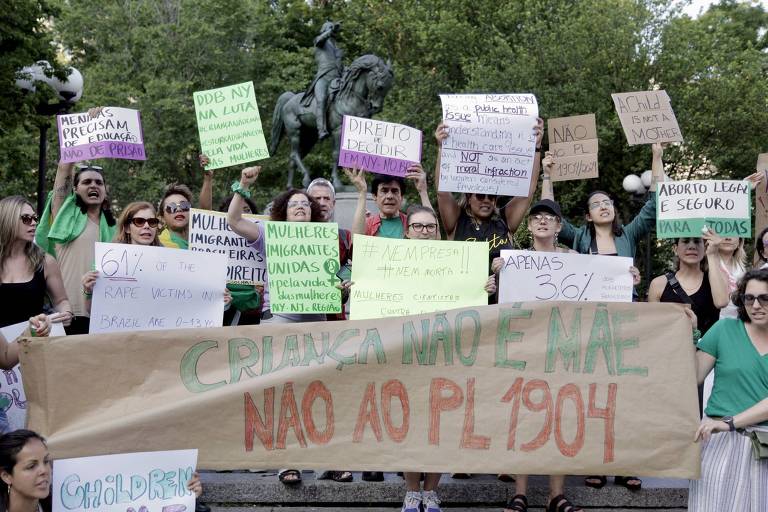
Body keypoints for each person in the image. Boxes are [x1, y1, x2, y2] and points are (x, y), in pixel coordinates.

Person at [228, 166, 327, 485]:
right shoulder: (269, 233)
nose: (302, 206)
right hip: (281, 319)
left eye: (307, 204)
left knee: (318, 389)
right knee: (284, 390)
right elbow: (234, 221)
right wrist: (242, 185)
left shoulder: (325, 238)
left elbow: (338, 274)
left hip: (317, 318)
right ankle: (287, 461)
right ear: (284, 211)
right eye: (296, 203)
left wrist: (342, 282)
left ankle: (327, 463)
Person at [688, 269, 768, 511]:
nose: (756, 305)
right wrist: (690, 334)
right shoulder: (724, 330)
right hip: (717, 441)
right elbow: (693, 377)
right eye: (749, 297)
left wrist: (730, 422)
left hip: (762, 447)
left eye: (765, 298)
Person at [0, 429, 208, 512]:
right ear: (6, 475)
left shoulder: (68, 504)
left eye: (46, 462)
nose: (44, 471)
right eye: (31, 466)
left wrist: (185, 496)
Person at [81, 202, 230, 311]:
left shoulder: (174, 263)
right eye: (139, 221)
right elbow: (90, 310)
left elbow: (188, 299)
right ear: (126, 227)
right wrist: (88, 290)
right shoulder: (107, 262)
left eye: (152, 222)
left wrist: (218, 300)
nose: (146, 226)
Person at [542, 143, 664, 261]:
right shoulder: (578, 237)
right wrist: (547, 176)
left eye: (607, 202)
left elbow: (654, 205)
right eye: (596, 204)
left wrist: (657, 157)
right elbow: (549, 214)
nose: (603, 207)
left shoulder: (628, 235)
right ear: (588, 216)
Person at [35, 161, 116, 335]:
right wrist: (72, 156)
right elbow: (64, 170)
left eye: (98, 182)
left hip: (104, 316)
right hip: (67, 314)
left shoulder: (115, 228)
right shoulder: (64, 218)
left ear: (105, 191)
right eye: (86, 182)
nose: (93, 185)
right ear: (75, 189)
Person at [0, 196, 72, 329]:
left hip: (33, 343)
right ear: (7, 220)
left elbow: (61, 301)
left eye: (35, 218)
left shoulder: (46, 261)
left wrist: (65, 313)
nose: (33, 223)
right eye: (26, 218)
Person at [347, 164, 434, 239]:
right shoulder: (367, 224)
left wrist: (423, 191)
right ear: (374, 196)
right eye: (384, 191)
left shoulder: (413, 223)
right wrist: (362, 192)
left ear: (401, 197)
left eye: (394, 191)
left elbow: (435, 237)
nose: (389, 196)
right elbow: (355, 246)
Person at [302, 20, 343, 140]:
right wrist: (331, 30)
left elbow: (341, 66)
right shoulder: (320, 41)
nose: (334, 31)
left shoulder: (336, 47)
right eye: (330, 28)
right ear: (325, 29)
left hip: (337, 79)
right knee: (322, 100)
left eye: (334, 29)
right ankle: (321, 130)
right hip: (323, 78)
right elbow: (320, 40)